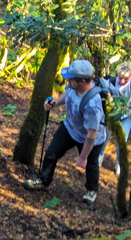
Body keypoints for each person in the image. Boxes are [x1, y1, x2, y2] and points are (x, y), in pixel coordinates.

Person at [23, 60, 106, 205]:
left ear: (83, 81)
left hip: (89, 138)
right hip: (70, 127)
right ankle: (44, 181)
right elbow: (67, 94)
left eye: (71, 78)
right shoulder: (73, 85)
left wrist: (82, 157)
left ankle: (92, 189)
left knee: (91, 165)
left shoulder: (93, 105)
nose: (67, 80)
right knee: (51, 152)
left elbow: (92, 134)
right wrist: (55, 103)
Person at [98, 61, 131, 176]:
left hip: (126, 116)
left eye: (126, 79)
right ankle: (100, 156)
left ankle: (119, 164)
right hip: (111, 114)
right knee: (105, 136)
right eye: (120, 78)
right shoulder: (110, 82)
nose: (122, 81)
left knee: (122, 140)